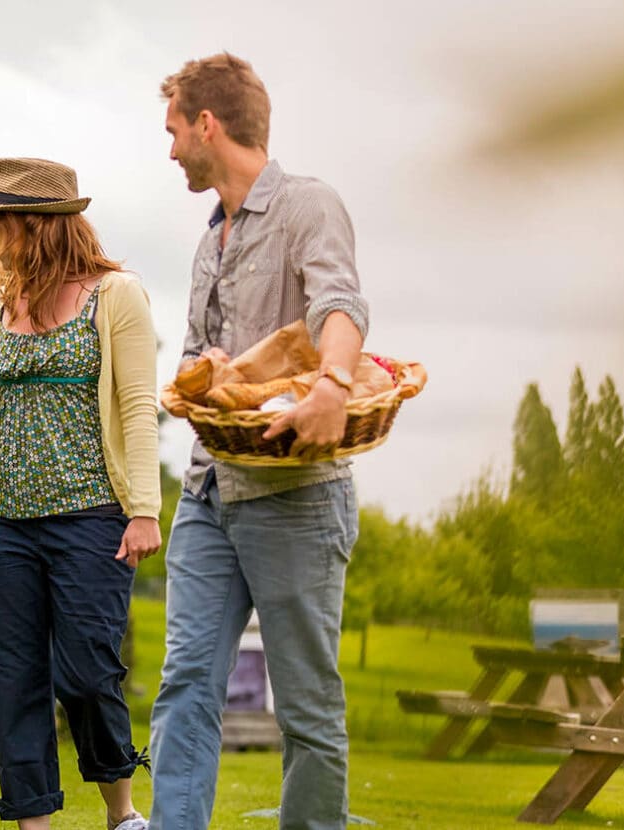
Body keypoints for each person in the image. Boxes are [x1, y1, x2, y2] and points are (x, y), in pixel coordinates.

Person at [146, 53, 370, 830]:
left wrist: (333, 387)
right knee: (185, 684)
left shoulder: (309, 206)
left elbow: (340, 307)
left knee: (306, 704)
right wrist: (202, 374)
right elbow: (189, 359)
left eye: (174, 130)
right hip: (209, 495)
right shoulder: (210, 242)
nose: (170, 148)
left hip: (296, 498)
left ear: (208, 124)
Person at [0, 157, 162, 830]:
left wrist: (144, 510)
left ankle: (120, 809)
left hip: (92, 517)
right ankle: (32, 821)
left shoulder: (116, 295)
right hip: (3, 521)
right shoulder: (0, 305)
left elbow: (140, 405)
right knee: (12, 678)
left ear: (36, 225)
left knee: (87, 674)